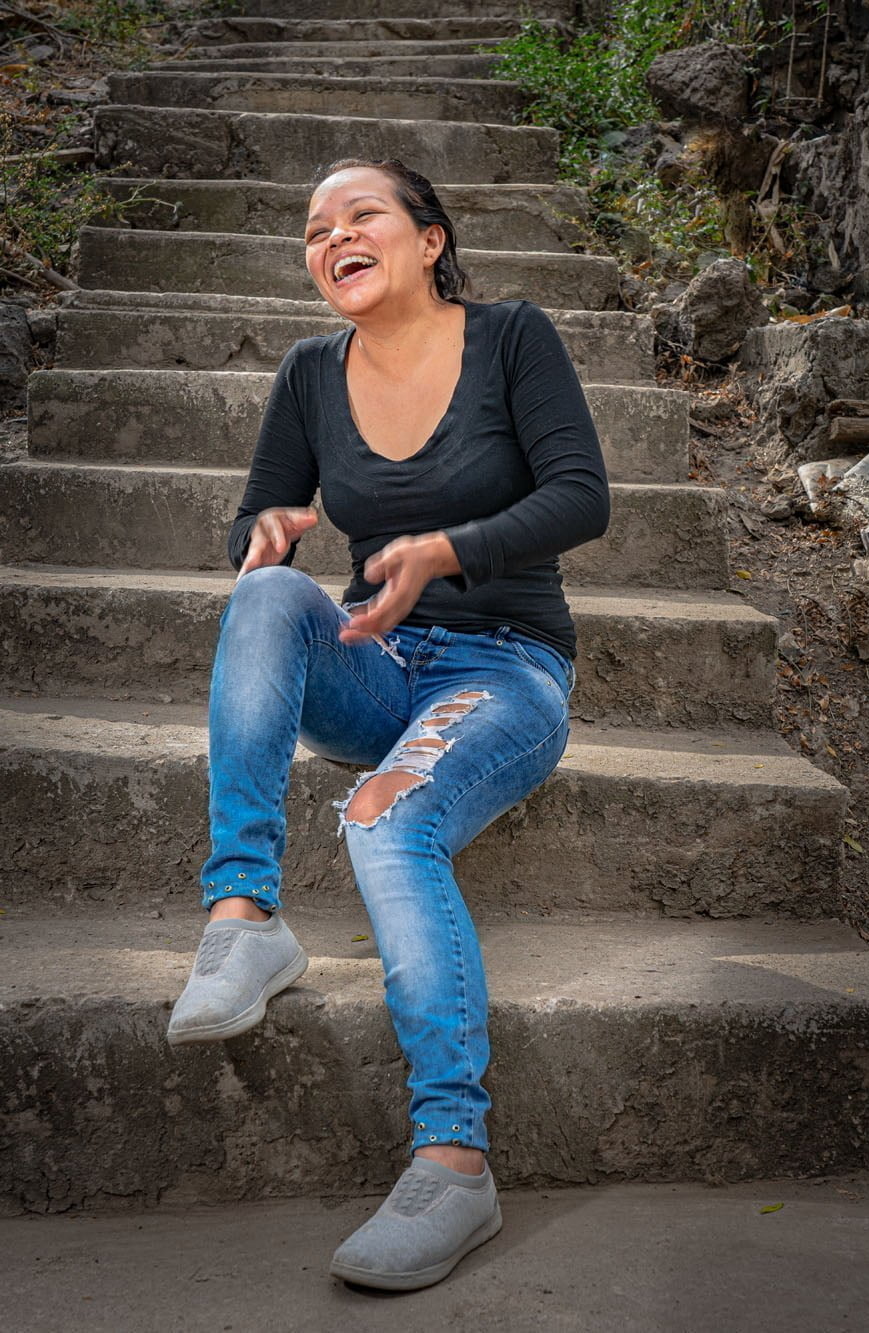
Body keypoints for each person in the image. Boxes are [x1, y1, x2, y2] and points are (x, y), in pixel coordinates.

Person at [167, 157, 610, 1291]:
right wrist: (263, 535)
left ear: (428, 238)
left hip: (502, 667)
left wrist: (445, 550)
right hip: (374, 666)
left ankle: (454, 1161)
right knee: (269, 596)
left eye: (359, 214)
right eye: (315, 229)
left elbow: (582, 496)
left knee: (384, 820)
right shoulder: (310, 372)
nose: (333, 237)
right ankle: (242, 915)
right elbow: (253, 520)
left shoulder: (511, 338)